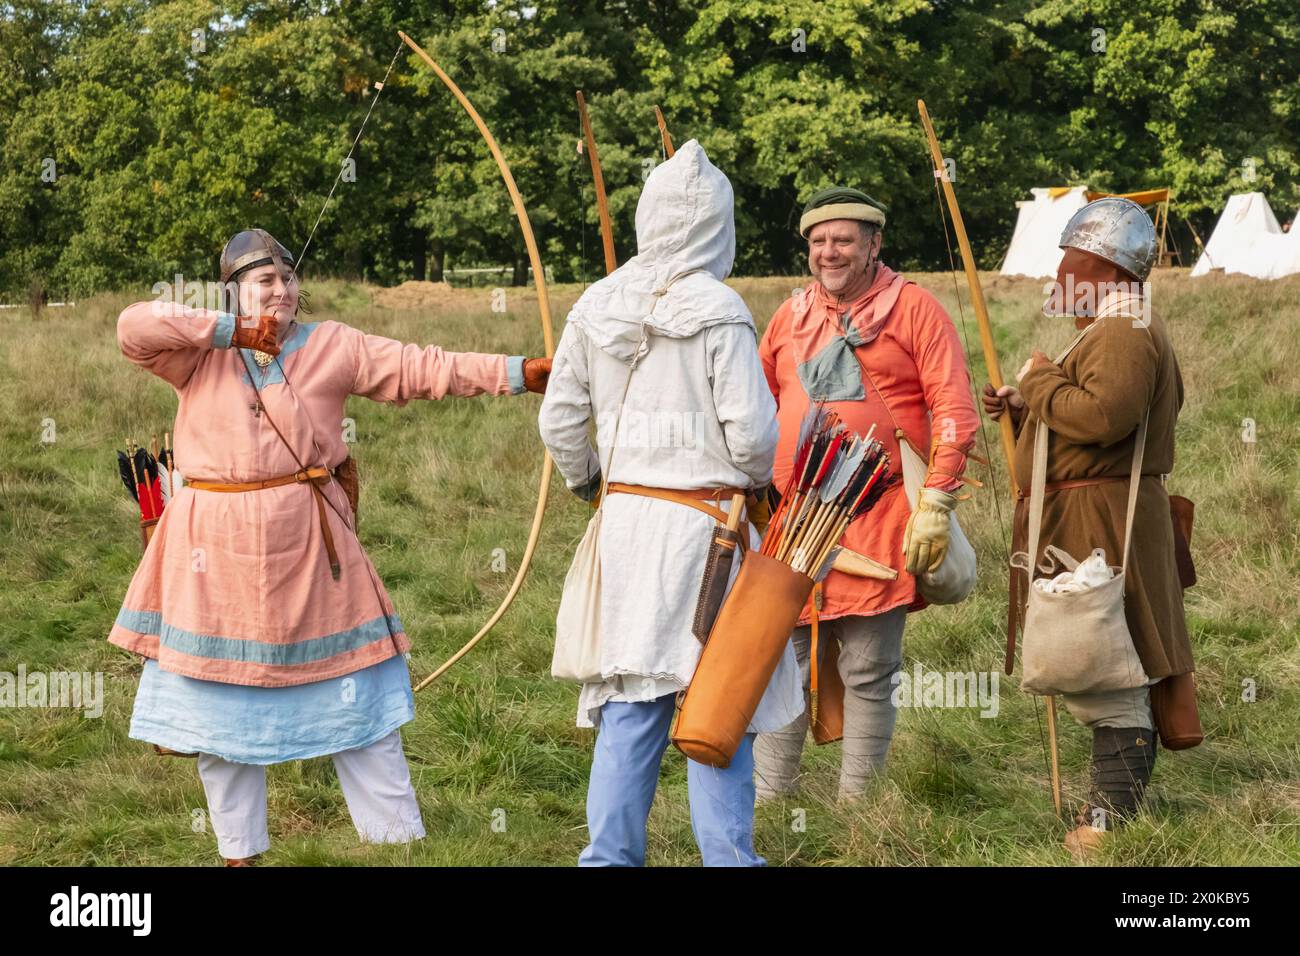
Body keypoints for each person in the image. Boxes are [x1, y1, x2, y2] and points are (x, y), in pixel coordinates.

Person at [110, 228, 550, 865]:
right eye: (264, 281)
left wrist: (517, 373)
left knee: (362, 704)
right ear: (232, 293)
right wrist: (231, 333)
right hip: (215, 558)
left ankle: (397, 849)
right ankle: (240, 855)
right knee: (219, 719)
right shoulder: (199, 353)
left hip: (313, 552)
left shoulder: (331, 345)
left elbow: (423, 366)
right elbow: (134, 327)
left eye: (288, 279)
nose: (282, 290)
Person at [537, 141, 803, 866]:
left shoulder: (597, 300)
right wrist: (753, 482)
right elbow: (752, 438)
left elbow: (559, 423)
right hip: (707, 527)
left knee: (632, 702)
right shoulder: (719, 307)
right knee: (720, 699)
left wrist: (592, 483)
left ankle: (609, 860)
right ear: (719, 226)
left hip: (624, 527)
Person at [752, 187, 980, 802]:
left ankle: (858, 811)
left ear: (875, 243)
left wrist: (936, 499)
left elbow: (954, 407)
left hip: (878, 514)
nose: (829, 252)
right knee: (785, 662)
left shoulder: (916, 309)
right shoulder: (788, 315)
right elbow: (755, 406)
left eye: (844, 240)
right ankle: (772, 800)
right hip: (793, 519)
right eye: (819, 241)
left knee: (867, 668)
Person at [983, 197, 1195, 855]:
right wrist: (1027, 405)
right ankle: (1105, 811)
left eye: (1069, 265)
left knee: (1113, 661)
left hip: (1111, 518)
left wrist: (1041, 384)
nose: (1057, 279)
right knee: (1099, 656)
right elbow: (1086, 414)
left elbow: (1106, 417)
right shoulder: (1107, 324)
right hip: (1087, 515)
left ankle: (1107, 823)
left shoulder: (1124, 328)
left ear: (1101, 267)